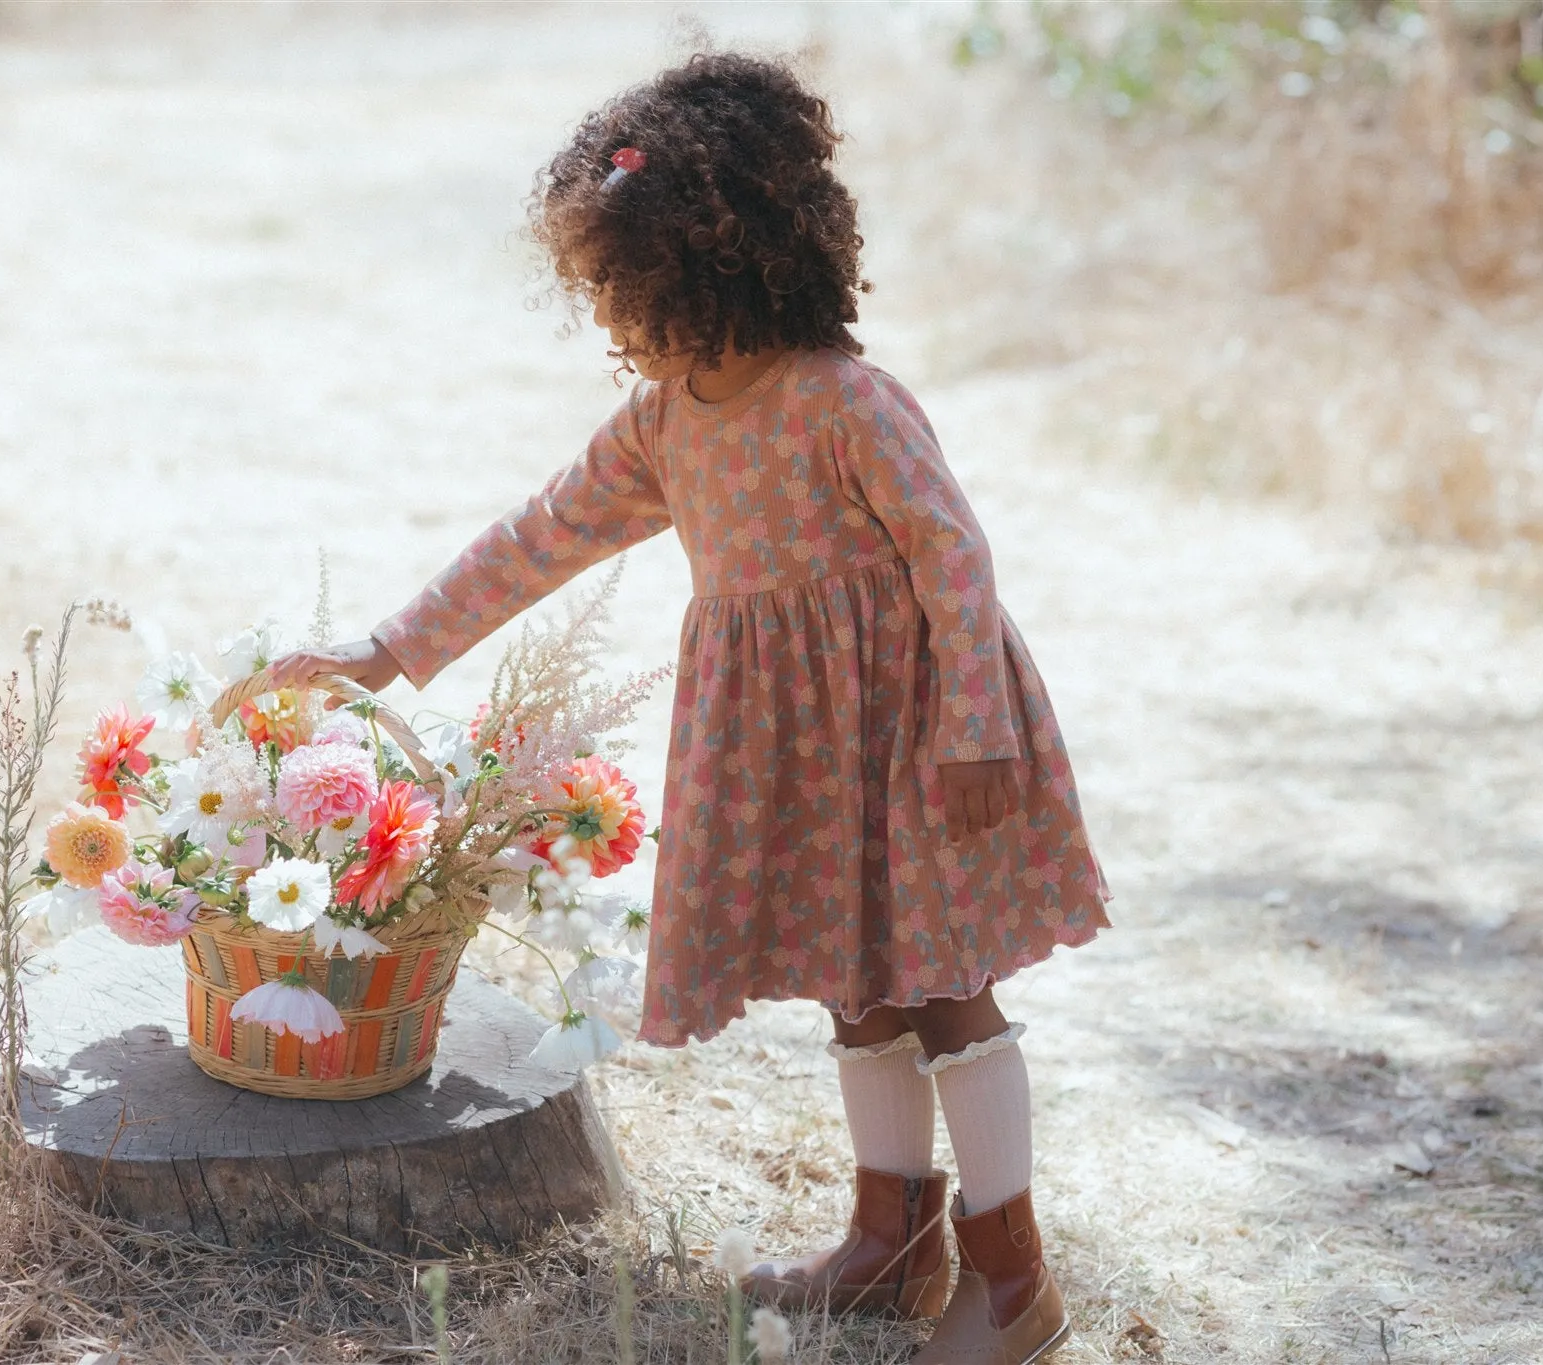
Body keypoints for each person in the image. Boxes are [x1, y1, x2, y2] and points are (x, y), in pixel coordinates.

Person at [264, 52, 1108, 1365]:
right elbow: (539, 537)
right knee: (859, 990)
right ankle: (891, 1243)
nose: (618, 321)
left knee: (945, 989)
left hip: (914, 732)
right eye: (606, 296)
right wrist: (387, 649)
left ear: (726, 270)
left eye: (634, 292)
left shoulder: (845, 404)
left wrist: (978, 723)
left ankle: (1013, 1284)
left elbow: (955, 559)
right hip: (791, 745)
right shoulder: (664, 425)